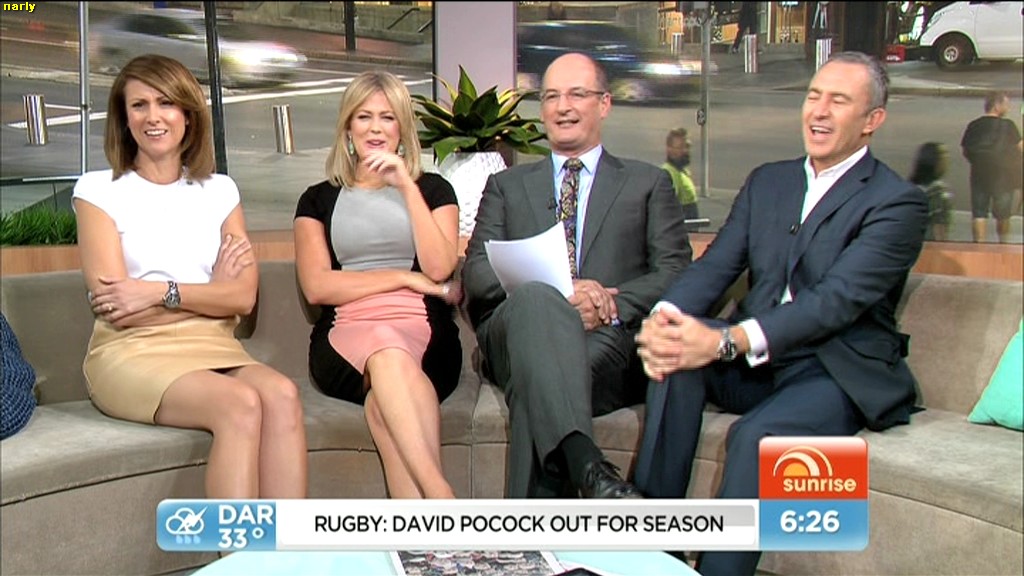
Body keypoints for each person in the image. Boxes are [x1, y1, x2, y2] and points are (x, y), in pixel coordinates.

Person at [633, 51, 927, 576]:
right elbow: (717, 264)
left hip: (833, 370)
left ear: (872, 120)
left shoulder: (897, 202)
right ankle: (651, 555)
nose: (819, 111)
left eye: (839, 101)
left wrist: (726, 341)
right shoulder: (769, 181)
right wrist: (665, 317)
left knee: (757, 438)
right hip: (759, 364)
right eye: (814, 96)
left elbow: (835, 300)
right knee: (674, 359)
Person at [73, 54, 307, 499]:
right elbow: (120, 311)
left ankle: (285, 541)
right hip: (131, 351)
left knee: (282, 396)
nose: (153, 116)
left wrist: (157, 291)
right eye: (139, 105)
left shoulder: (220, 191)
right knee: (239, 403)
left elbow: (243, 298)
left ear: (188, 114)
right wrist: (211, 295)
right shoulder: (97, 191)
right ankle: (237, 546)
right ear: (124, 118)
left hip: (214, 345)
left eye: (166, 103)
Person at [463, 52, 691, 499]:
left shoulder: (647, 184)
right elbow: (477, 274)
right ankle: (589, 470)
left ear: (604, 104)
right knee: (536, 301)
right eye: (551, 96)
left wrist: (610, 304)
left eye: (577, 94)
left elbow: (675, 271)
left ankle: (548, 517)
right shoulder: (507, 186)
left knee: (539, 377)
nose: (562, 107)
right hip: (513, 334)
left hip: (606, 339)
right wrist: (562, 293)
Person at [293, 71, 462, 499]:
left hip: (426, 333)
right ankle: (441, 494)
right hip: (345, 338)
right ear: (348, 127)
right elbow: (317, 288)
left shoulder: (433, 189)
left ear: (402, 127)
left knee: (382, 406)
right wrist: (402, 277)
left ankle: (424, 519)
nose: (375, 128)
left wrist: (405, 185)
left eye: (387, 117)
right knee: (385, 349)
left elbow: (439, 268)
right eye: (364, 116)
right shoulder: (317, 199)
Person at [960, 91, 1023, 243]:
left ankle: (979, 244)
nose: (1007, 108)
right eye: (1006, 104)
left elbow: (965, 150)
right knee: (1003, 214)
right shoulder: (1008, 125)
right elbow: (1021, 148)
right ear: (997, 105)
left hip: (979, 174)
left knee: (979, 213)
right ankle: (1003, 243)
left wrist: (978, 162)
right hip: (1003, 176)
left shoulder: (974, 125)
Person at [909, 142, 953, 241]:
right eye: (943, 156)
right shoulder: (939, 193)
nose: (947, 160)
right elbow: (939, 229)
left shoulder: (908, 188)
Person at [662, 127, 700, 231]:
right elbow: (667, 209)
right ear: (669, 149)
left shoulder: (681, 171)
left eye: (687, 146)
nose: (685, 151)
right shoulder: (669, 173)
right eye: (681, 147)